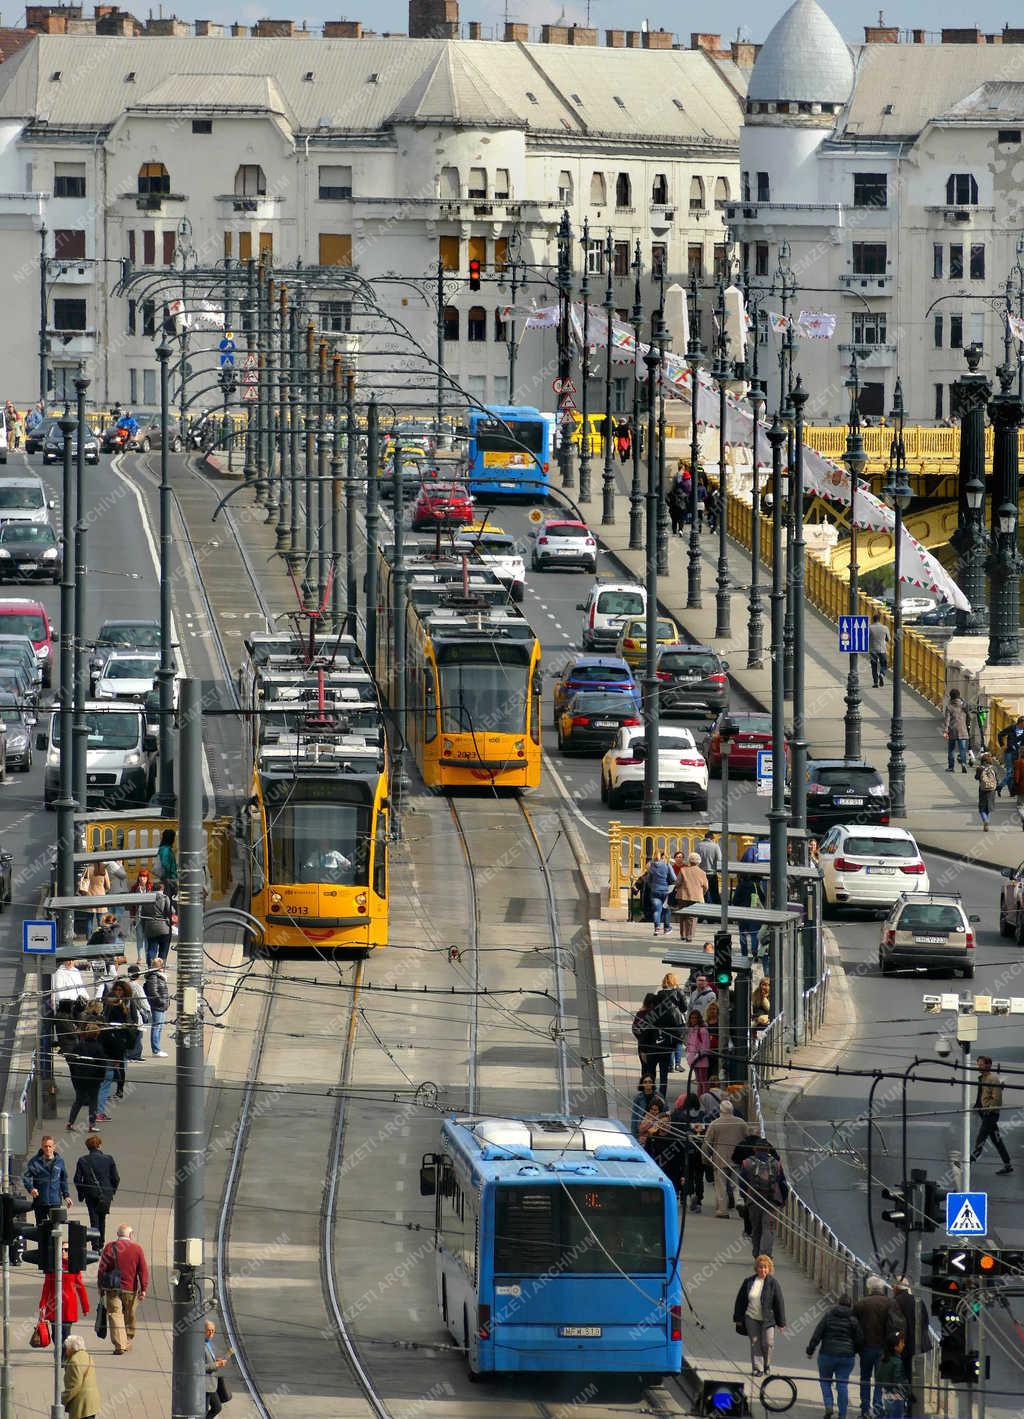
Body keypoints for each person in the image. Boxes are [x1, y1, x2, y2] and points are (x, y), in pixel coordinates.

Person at [806, 1293, 864, 1419]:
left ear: (838, 1303)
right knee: (842, 1384)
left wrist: (810, 1350)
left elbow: (817, 1334)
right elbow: (859, 1339)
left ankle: (828, 1405)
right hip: (846, 1356)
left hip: (827, 1354)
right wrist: (854, 1351)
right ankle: (842, 1414)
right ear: (850, 1305)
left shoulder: (828, 1316)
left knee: (825, 1381)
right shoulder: (853, 1320)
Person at [853, 1276, 904, 1419]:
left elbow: (854, 1326)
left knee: (865, 1377)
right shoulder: (890, 1303)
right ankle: (877, 1408)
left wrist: (857, 1345)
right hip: (883, 1348)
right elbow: (896, 1325)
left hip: (866, 1347)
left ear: (869, 1287)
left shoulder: (861, 1304)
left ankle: (864, 1408)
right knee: (880, 1379)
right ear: (882, 1288)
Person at [97, 1224, 149, 1355]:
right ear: (130, 1235)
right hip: (131, 1289)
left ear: (117, 1234)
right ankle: (127, 1340)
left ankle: (120, 1343)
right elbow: (143, 1270)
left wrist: (100, 1286)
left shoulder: (110, 1247)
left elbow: (102, 1269)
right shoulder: (137, 1249)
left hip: (112, 1288)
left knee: (115, 1314)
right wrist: (143, 1288)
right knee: (129, 1315)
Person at [733, 1254, 786, 1377]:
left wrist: (781, 1322)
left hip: (768, 1320)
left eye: (765, 1268)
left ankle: (766, 1364)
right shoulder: (749, 1282)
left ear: (769, 1269)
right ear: (756, 1268)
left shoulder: (773, 1283)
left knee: (767, 1343)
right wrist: (738, 1318)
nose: (763, 1270)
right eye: (761, 1267)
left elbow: (779, 1303)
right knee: (755, 1342)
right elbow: (740, 1300)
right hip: (751, 1318)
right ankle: (758, 1368)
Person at [738, 1136, 788, 1258]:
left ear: (755, 1149)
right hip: (771, 1201)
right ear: (768, 1150)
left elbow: (742, 1183)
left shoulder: (747, 1163)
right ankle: (765, 1255)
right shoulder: (776, 1164)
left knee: (756, 1229)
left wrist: (745, 1197)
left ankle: (756, 1253)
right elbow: (783, 1183)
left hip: (754, 1201)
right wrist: (783, 1200)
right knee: (768, 1229)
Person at [702, 1096, 748, 1217]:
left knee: (721, 1186)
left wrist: (705, 1158)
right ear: (732, 1110)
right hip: (737, 1159)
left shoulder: (714, 1124)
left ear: (720, 1111)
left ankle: (722, 1210)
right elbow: (747, 1140)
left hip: (720, 1159)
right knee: (736, 1184)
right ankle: (739, 1201)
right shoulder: (741, 1123)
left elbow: (707, 1143)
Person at [39, 1240, 89, 1346]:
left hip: (68, 1307)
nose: (63, 1252)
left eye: (66, 1250)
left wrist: (85, 1307)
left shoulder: (74, 1268)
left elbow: (81, 1288)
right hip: (54, 1306)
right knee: (55, 1335)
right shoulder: (52, 1267)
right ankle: (59, 1356)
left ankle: (62, 1359)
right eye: (61, 1249)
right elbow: (46, 1288)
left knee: (66, 1335)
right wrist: (42, 1306)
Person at [73, 1134, 119, 1246]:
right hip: (105, 1194)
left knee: (93, 1218)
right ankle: (101, 1242)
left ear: (88, 1147)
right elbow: (116, 1178)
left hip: (91, 1194)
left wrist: (82, 1193)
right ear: (99, 1146)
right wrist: (111, 1191)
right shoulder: (109, 1159)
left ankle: (95, 1244)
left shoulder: (83, 1160)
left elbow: (77, 1179)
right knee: (102, 1218)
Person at [970, 1054, 1013, 1174]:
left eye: (982, 1064)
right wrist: (977, 1106)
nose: (979, 1066)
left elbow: (997, 1098)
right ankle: (1007, 1164)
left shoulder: (993, 1079)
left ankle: (969, 1161)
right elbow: (981, 1095)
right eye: (978, 1063)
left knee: (981, 1138)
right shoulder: (982, 1078)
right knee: (996, 1140)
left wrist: (988, 1109)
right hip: (986, 1114)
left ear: (989, 1065)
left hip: (991, 1114)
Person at [638, 988, 682, 1096]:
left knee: (651, 1073)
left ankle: (650, 1094)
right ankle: (662, 1096)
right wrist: (673, 1047)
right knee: (663, 1076)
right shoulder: (672, 1013)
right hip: (665, 1050)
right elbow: (677, 1032)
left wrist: (643, 1049)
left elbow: (644, 1032)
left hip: (652, 1050)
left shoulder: (652, 1014)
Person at [23, 1134, 71, 1227]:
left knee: (55, 1230)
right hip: (40, 1201)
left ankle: (53, 1242)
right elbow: (26, 1177)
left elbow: (63, 1179)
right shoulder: (35, 1162)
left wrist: (66, 1195)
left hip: (55, 1201)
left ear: (54, 1147)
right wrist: (31, 1188)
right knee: (41, 1230)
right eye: (45, 1146)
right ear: (42, 1147)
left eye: (50, 1146)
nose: (48, 1149)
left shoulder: (59, 1161)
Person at [66, 1025, 106, 1133]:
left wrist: (75, 1074)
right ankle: (91, 1125)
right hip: (93, 1079)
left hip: (80, 1077)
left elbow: (71, 1060)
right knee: (93, 1101)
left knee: (78, 1100)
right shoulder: (98, 1047)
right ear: (97, 1035)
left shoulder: (79, 1045)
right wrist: (101, 1078)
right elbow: (102, 1065)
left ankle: (70, 1123)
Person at [61, 1334, 101, 1419]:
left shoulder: (74, 1361)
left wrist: (62, 1399)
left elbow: (75, 1385)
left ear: (72, 1348)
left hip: (82, 1403)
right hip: (91, 1402)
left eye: (66, 1347)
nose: (65, 1350)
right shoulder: (87, 1356)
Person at [674, 853, 709, 943]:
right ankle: (690, 936)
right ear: (699, 862)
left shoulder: (683, 870)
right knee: (692, 916)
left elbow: (677, 883)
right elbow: (705, 886)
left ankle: (683, 934)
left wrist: (678, 888)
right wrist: (701, 893)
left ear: (689, 860)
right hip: (696, 897)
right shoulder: (702, 873)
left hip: (683, 896)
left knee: (683, 915)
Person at [641, 851, 676, 936]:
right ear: (663, 857)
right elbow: (674, 878)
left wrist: (653, 886)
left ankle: (657, 928)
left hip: (655, 891)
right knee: (667, 909)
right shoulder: (667, 865)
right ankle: (667, 928)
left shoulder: (652, 866)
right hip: (666, 890)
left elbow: (648, 880)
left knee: (657, 910)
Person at [875, 1332, 910, 1417]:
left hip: (886, 1396)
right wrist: (907, 1385)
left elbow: (878, 1377)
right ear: (895, 1347)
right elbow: (898, 1381)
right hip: (897, 1398)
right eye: (901, 1343)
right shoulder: (897, 1362)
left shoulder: (884, 1359)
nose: (903, 1345)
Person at [139, 883, 173, 966]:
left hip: (150, 927)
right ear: (162, 889)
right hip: (164, 927)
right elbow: (170, 911)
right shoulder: (165, 898)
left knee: (151, 949)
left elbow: (142, 914)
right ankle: (161, 968)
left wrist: (144, 928)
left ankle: (150, 967)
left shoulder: (146, 898)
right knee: (163, 950)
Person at [204, 1318, 231, 1417]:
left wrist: (216, 1361)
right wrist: (217, 1365)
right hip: (205, 1385)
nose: (211, 1333)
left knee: (216, 1407)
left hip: (211, 1384)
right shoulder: (200, 1345)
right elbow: (199, 1367)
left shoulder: (208, 1343)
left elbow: (208, 1360)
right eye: (208, 1330)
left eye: (213, 1331)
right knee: (210, 1409)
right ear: (203, 1331)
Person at [144, 957, 170, 1057]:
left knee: (159, 1027)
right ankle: (156, 1050)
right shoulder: (153, 977)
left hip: (161, 1005)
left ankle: (157, 1048)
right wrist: (160, 1001)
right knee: (156, 1027)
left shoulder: (159, 976)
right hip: (157, 1006)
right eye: (162, 965)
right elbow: (153, 992)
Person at [124, 964, 150, 1061]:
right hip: (136, 1012)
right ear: (138, 975)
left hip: (128, 1011)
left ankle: (131, 1054)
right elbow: (142, 1000)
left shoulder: (126, 985)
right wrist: (148, 1010)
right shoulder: (137, 986)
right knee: (138, 1034)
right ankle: (134, 1055)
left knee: (131, 1033)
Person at [129, 865, 155, 961]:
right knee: (139, 937)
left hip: (148, 916)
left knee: (147, 937)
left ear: (147, 878)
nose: (142, 878)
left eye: (144, 876)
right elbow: (131, 903)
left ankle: (148, 957)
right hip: (138, 915)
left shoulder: (151, 887)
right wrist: (132, 916)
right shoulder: (134, 887)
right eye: (140, 876)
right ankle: (140, 957)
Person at [78, 862, 110, 936]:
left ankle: (89, 938)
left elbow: (82, 882)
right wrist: (103, 890)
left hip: (89, 897)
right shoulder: (103, 870)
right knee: (100, 920)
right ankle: (101, 938)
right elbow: (108, 886)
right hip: (100, 897)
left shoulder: (88, 869)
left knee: (89, 919)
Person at [632, 993, 658, 1083]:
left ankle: (645, 1087)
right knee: (652, 1069)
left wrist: (639, 1039)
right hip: (653, 1046)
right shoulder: (655, 1015)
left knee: (644, 1068)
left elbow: (634, 1030)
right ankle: (652, 1086)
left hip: (642, 1046)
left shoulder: (640, 1014)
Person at [684, 1009, 712, 1094]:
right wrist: (688, 1053)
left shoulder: (703, 1030)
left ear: (699, 1019)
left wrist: (699, 1054)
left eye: (695, 1018)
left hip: (701, 1058)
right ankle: (700, 1098)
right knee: (699, 1081)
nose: (693, 1020)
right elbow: (689, 1043)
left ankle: (705, 1098)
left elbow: (706, 1045)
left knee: (703, 1081)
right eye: (692, 1018)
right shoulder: (691, 1030)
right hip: (693, 1058)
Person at [997, 713, 1024, 795]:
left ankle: (1008, 790)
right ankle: (1004, 788)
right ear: (1020, 723)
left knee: (1016, 772)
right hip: (1009, 752)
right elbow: (1000, 734)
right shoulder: (1012, 728)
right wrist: (1002, 745)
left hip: (1019, 753)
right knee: (1010, 772)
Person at [943, 689, 969, 773]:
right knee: (962, 749)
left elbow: (947, 720)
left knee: (951, 750)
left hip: (952, 731)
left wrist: (945, 731)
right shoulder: (964, 705)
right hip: (963, 730)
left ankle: (951, 767)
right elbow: (969, 714)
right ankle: (963, 764)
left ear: (951, 696)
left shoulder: (949, 706)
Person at [696, 830, 722, 904]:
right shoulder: (715, 846)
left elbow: (695, 859)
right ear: (712, 838)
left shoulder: (698, 846)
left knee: (702, 894)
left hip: (700, 874)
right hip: (712, 874)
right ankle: (716, 911)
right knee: (714, 894)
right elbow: (719, 860)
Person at [975, 752, 998, 831]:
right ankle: (987, 820)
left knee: (982, 808)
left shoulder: (980, 768)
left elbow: (976, 777)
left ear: (982, 761)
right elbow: (997, 779)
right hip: (992, 790)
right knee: (988, 807)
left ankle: (985, 820)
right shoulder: (994, 768)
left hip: (982, 790)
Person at [868, 613, 890, 688]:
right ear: (879, 619)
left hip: (872, 650)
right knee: (884, 665)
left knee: (874, 666)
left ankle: (875, 682)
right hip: (882, 650)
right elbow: (888, 639)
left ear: (873, 619)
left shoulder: (870, 628)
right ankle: (882, 674)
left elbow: (866, 637)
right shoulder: (885, 628)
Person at [157, 827, 178, 895]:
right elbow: (165, 864)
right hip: (168, 879)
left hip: (166, 879)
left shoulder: (163, 848)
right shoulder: (166, 850)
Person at [1013, 747, 1024, 834]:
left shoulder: (1018, 762)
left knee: (1020, 806)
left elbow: (1016, 776)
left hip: (1021, 787)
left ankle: (1023, 818)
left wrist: (1015, 785)